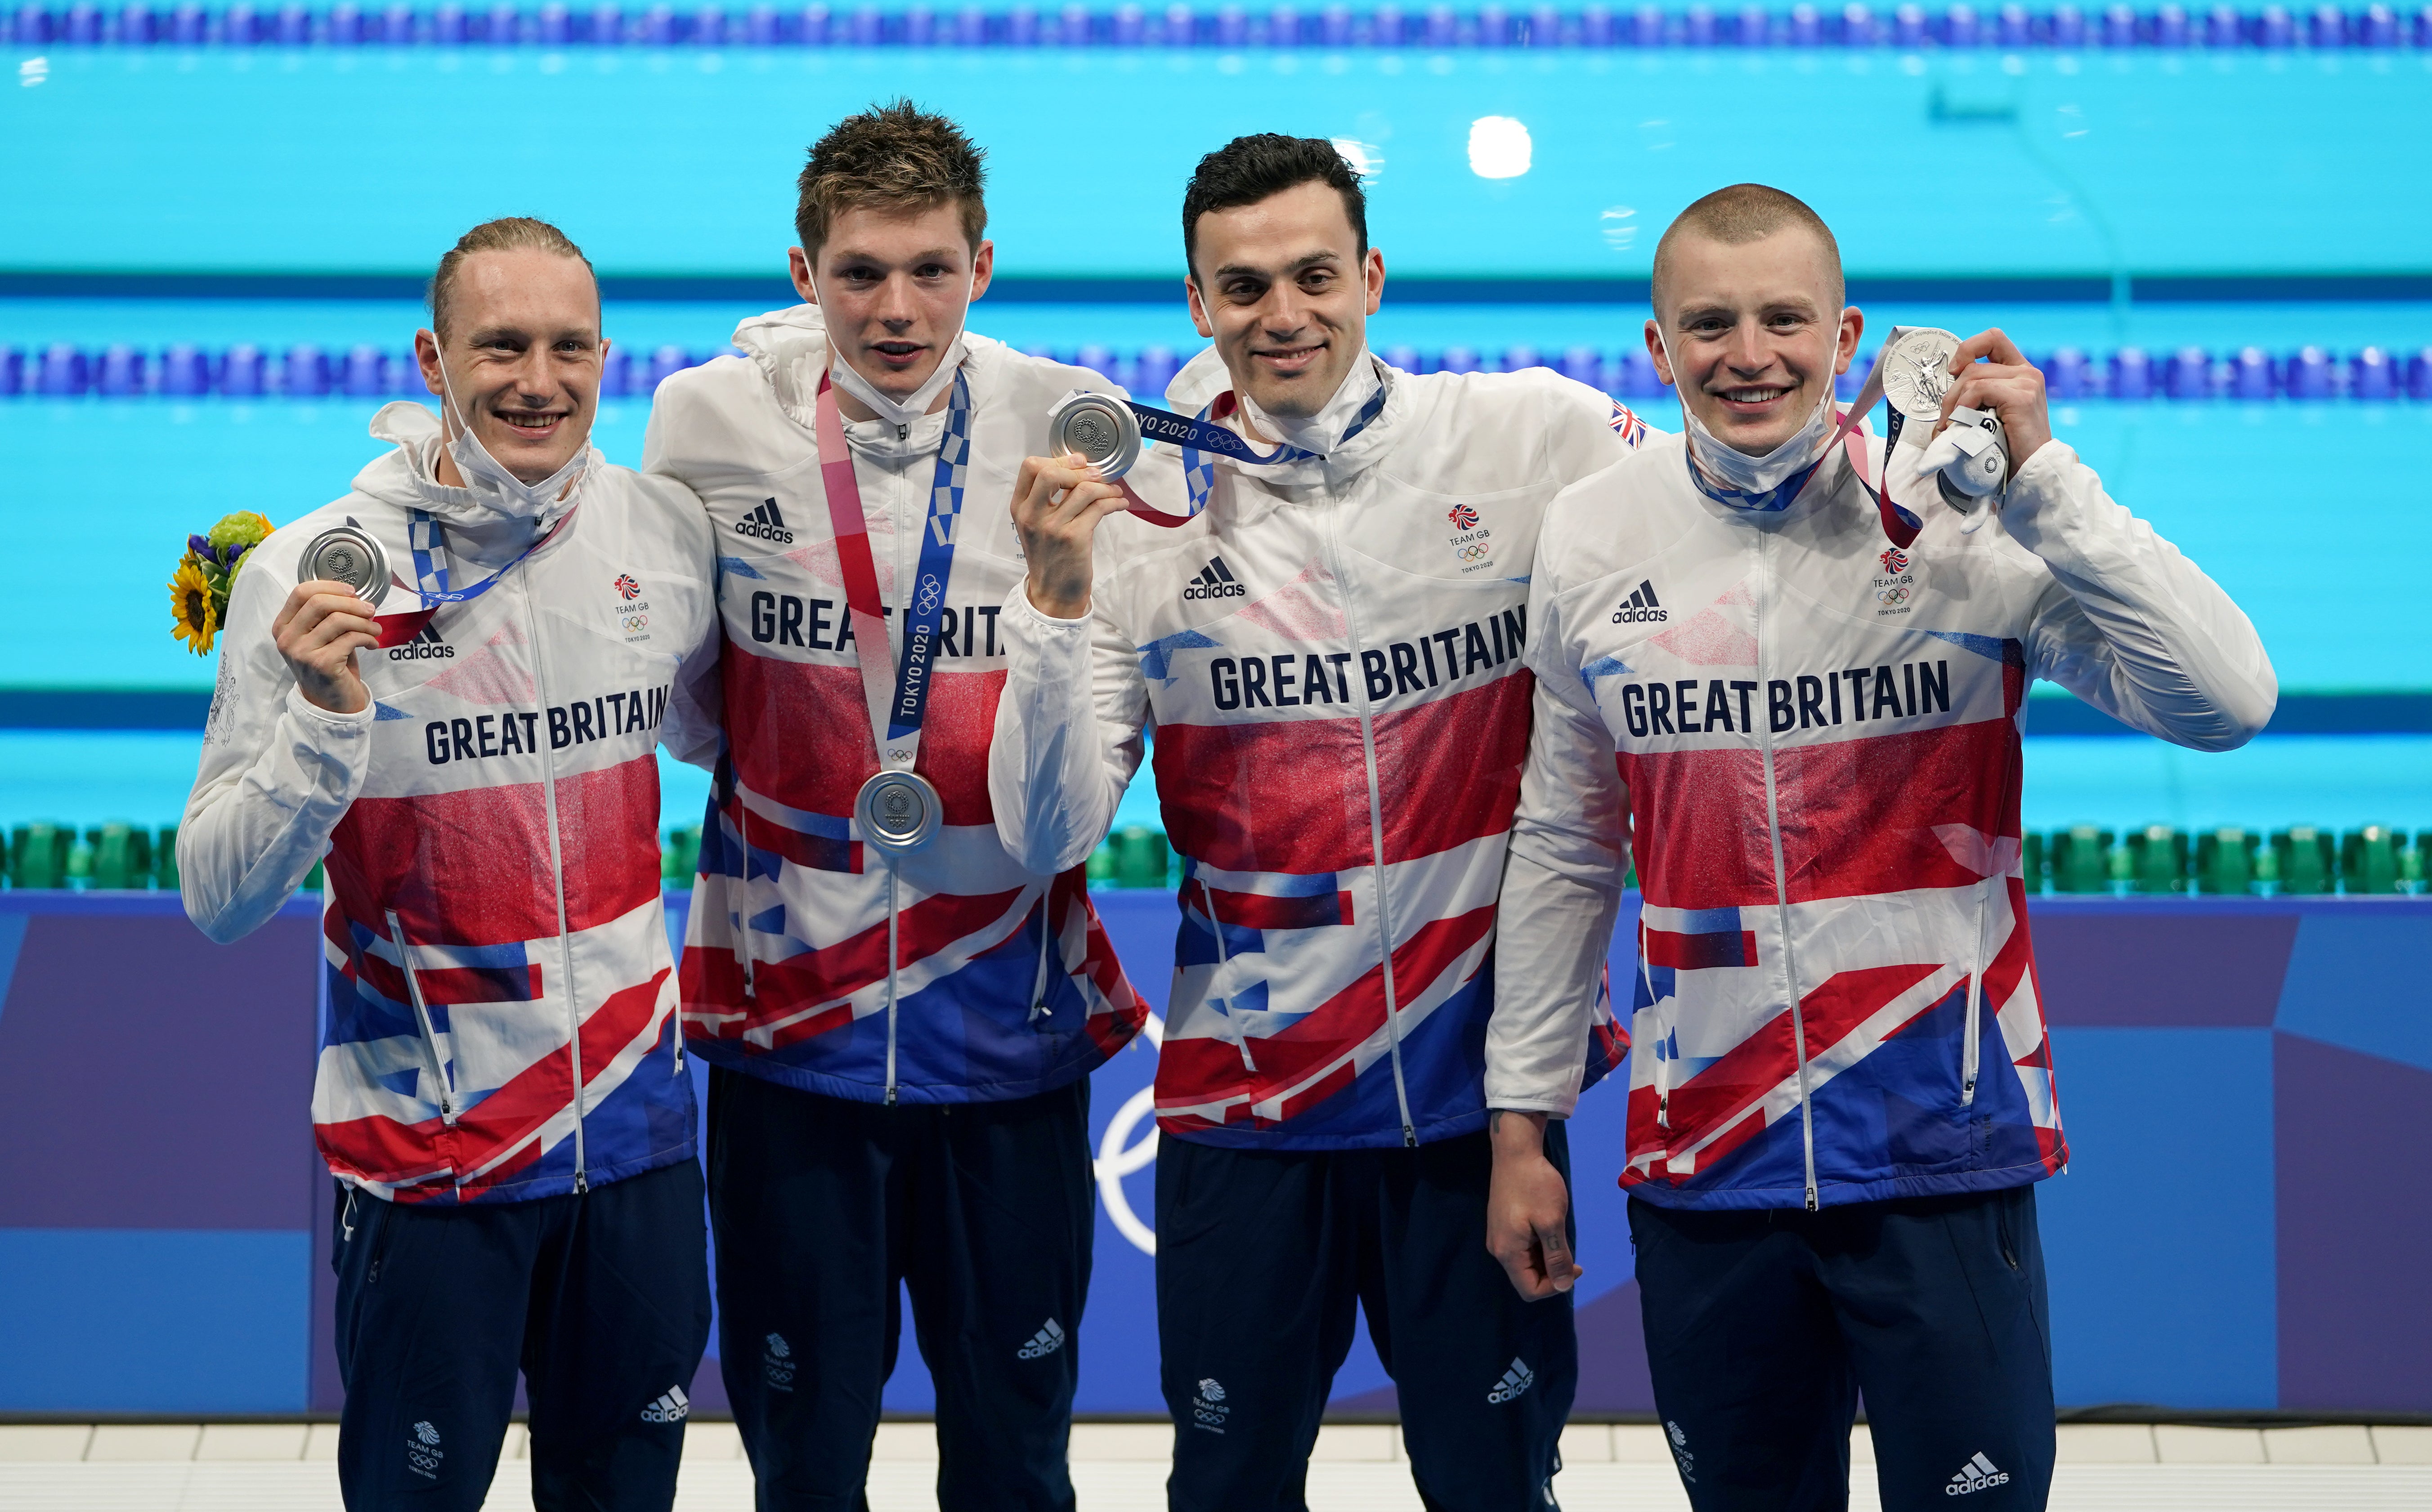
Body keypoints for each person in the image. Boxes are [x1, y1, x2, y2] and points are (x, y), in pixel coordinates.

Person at [1488, 184, 2277, 1510]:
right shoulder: (1594, 532)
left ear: (1845, 332)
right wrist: (1524, 1121)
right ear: (1657, 345)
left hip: (1940, 1141)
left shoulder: (1967, 520)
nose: (1752, 354)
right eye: (1713, 323)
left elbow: (2226, 701)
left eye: (1786, 319)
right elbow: (1569, 841)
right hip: (1707, 1153)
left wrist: (2046, 480)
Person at [990, 134, 1655, 1512]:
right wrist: (1054, 593)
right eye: (1243, 287)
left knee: (1494, 1484)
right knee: (1229, 1487)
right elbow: (1048, 830)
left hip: (1479, 1101)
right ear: (1197, 302)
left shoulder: (1534, 438)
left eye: (1312, 276)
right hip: (1251, 1106)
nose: (1281, 314)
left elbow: (1725, 485)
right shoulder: (1140, 517)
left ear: (1373, 276)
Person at [640, 100, 1147, 1512]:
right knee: (802, 1461)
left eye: (931, 268)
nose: (898, 307)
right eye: (860, 271)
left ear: (983, 263)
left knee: (1014, 1453)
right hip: (788, 1031)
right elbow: (692, 702)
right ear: (802, 276)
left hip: (1009, 1033)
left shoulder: (1066, 421)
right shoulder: (707, 417)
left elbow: (1088, 770)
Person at [180, 217, 719, 1511]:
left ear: (607, 357)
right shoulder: (312, 572)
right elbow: (215, 895)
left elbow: (722, 732)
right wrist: (324, 718)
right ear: (433, 356)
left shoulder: (662, 533)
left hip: (636, 1145)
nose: (539, 379)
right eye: (502, 346)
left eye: (568, 347)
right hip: (433, 1163)